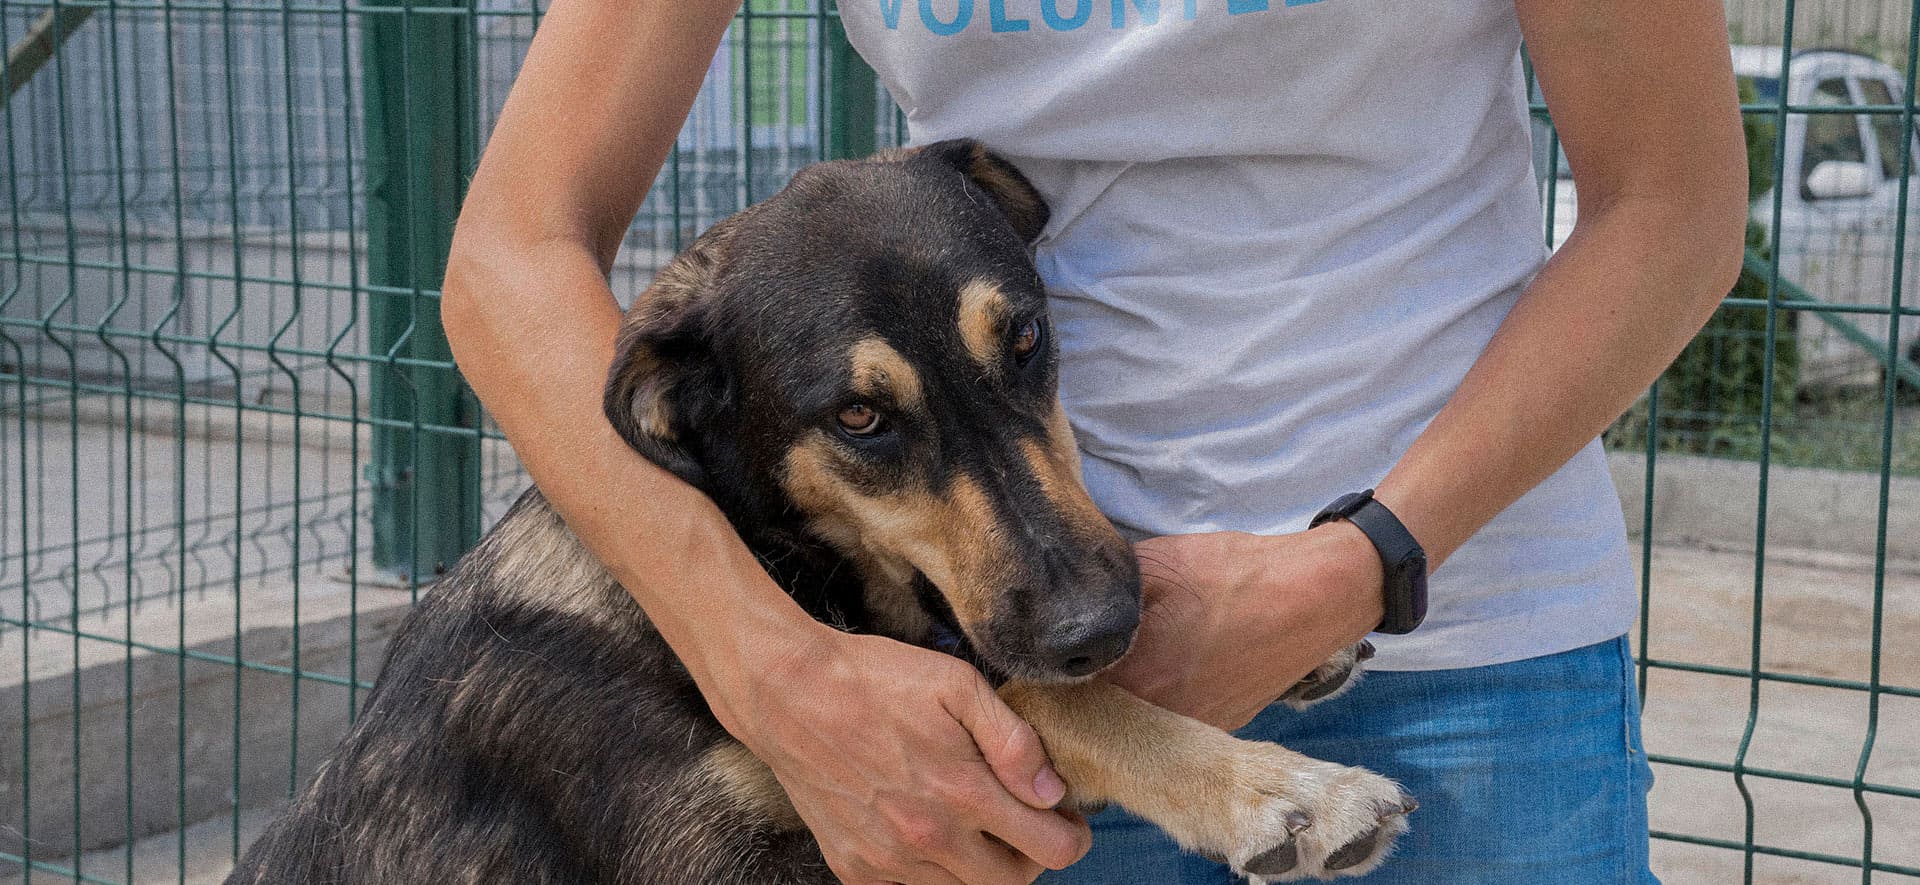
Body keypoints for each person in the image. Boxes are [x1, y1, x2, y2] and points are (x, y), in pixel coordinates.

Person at [439, 0, 1746, 881]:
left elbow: (1672, 207)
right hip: (992, 728)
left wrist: (1358, 564)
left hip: (1466, 657)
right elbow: (510, 254)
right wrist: (775, 674)